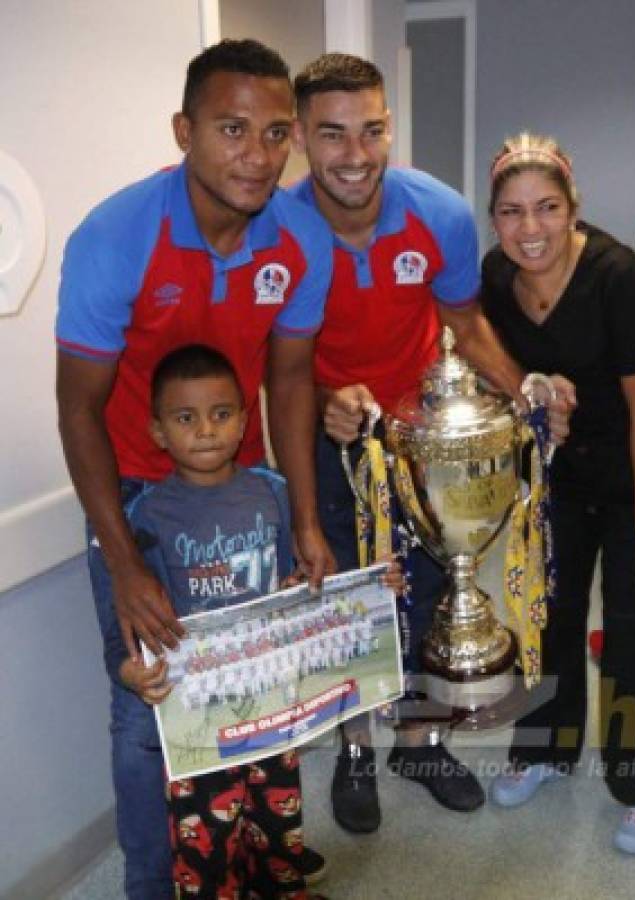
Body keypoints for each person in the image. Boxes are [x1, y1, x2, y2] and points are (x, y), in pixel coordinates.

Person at [55, 40, 332, 898]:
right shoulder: (115, 236)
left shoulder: (301, 239)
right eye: (232, 129)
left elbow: (289, 382)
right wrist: (127, 563)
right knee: (149, 711)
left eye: (275, 132)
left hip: (244, 492)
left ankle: (248, 866)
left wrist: (304, 521)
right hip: (139, 500)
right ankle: (151, 885)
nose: (258, 155)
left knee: (254, 692)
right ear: (184, 131)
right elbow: (78, 408)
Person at [288, 53, 575, 834]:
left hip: (422, 444)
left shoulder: (437, 210)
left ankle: (419, 739)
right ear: (301, 140)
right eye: (333, 134)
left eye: (372, 130)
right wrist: (323, 401)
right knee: (349, 602)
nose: (356, 154)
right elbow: (269, 363)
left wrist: (524, 395)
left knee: (428, 588)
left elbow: (466, 322)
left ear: (389, 127)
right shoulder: (276, 228)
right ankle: (354, 751)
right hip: (330, 440)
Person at [481, 132, 635, 855]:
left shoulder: (614, 275)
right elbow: (496, 368)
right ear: (493, 218)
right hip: (560, 480)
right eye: (510, 212)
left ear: (573, 207)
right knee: (547, 621)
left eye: (545, 208)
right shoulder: (494, 277)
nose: (528, 228)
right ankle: (543, 750)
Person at [101, 345, 326, 899]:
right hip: (196, 722)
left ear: (245, 420)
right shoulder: (145, 516)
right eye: (185, 418)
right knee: (207, 844)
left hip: (271, 705)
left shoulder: (273, 493)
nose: (206, 430)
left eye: (221, 414)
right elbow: (127, 622)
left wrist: (310, 593)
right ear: (158, 431)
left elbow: (288, 585)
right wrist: (131, 673)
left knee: (279, 828)